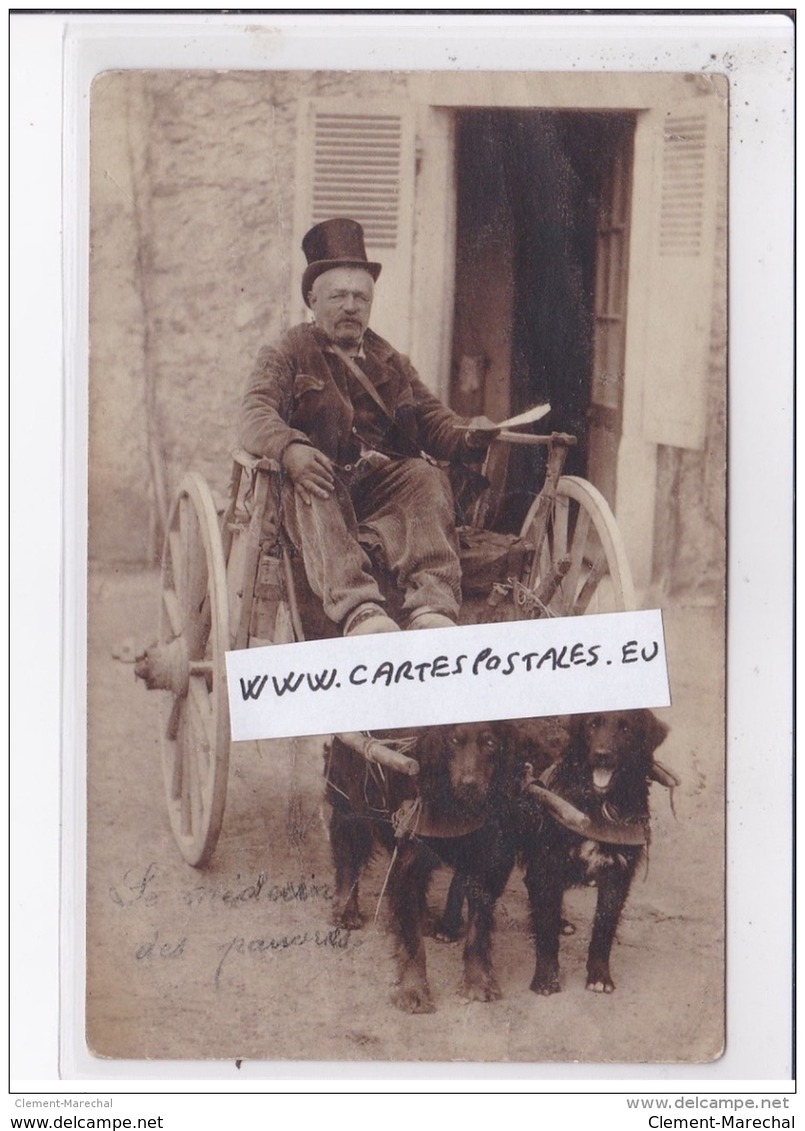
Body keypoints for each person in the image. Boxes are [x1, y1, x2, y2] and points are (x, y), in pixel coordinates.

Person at [239, 217, 497, 637]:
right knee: (314, 478)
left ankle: (431, 606)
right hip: (312, 497)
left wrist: (467, 433)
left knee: (424, 475)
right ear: (312, 299)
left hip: (374, 494)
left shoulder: (389, 362)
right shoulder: (286, 352)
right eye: (338, 295)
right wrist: (290, 449)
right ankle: (360, 612)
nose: (350, 306)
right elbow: (255, 413)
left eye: (361, 297)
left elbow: (433, 421)